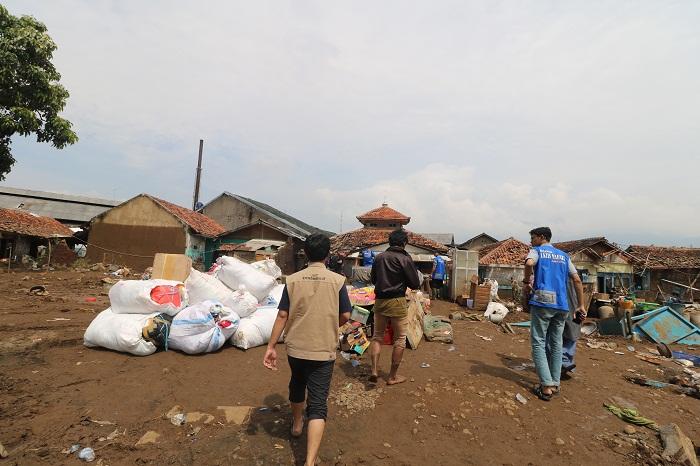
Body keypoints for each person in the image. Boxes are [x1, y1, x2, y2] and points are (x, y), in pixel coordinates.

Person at [263, 233, 352, 466]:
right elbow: (345, 315)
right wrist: (332, 325)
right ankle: (309, 462)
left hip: (296, 347)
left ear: (306, 254)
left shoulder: (292, 280)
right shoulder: (338, 281)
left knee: (297, 383)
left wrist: (271, 346)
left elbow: (283, 314)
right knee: (319, 403)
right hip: (324, 349)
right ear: (328, 254)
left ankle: (296, 424)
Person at [523, 227, 585, 401]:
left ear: (542, 238)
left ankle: (546, 386)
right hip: (562, 306)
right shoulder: (564, 256)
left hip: (543, 302)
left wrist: (527, 282)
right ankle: (555, 383)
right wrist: (580, 305)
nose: (531, 242)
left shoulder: (537, 251)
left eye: (533, 238)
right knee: (556, 344)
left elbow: (528, 263)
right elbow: (577, 279)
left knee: (538, 342)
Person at [369, 229, 421, 385]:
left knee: (377, 337)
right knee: (399, 339)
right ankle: (392, 377)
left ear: (390, 242)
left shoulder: (379, 257)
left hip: (380, 301)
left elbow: (373, 279)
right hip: (397, 301)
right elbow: (415, 283)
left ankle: (374, 371)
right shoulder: (405, 258)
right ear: (404, 243)